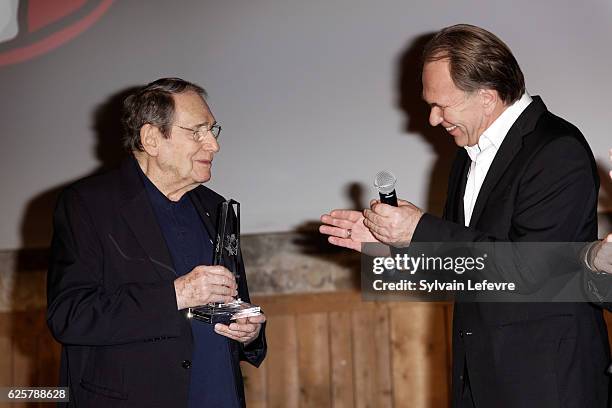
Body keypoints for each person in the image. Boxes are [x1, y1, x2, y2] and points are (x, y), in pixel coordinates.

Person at [321, 24, 609, 407]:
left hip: (545, 381)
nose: (432, 119)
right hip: (480, 378)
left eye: (442, 105)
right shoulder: (467, 153)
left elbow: (529, 271)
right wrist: (391, 247)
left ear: (487, 98)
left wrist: (419, 230)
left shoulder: (556, 149)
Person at [47, 78, 266, 408]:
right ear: (151, 138)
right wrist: (177, 295)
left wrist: (248, 331)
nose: (213, 145)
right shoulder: (89, 204)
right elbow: (70, 316)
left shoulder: (216, 207)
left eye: (212, 130)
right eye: (197, 131)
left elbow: (234, 298)